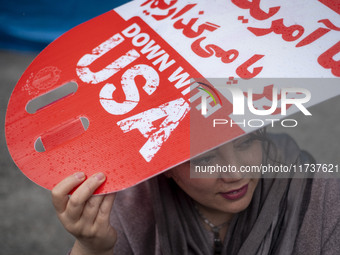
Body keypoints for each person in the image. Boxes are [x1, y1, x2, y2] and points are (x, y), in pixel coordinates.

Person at [51, 130, 340, 255]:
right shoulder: (127, 209)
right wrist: (92, 248)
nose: (235, 172)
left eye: (245, 143)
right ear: (165, 168)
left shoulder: (320, 195)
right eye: (204, 159)